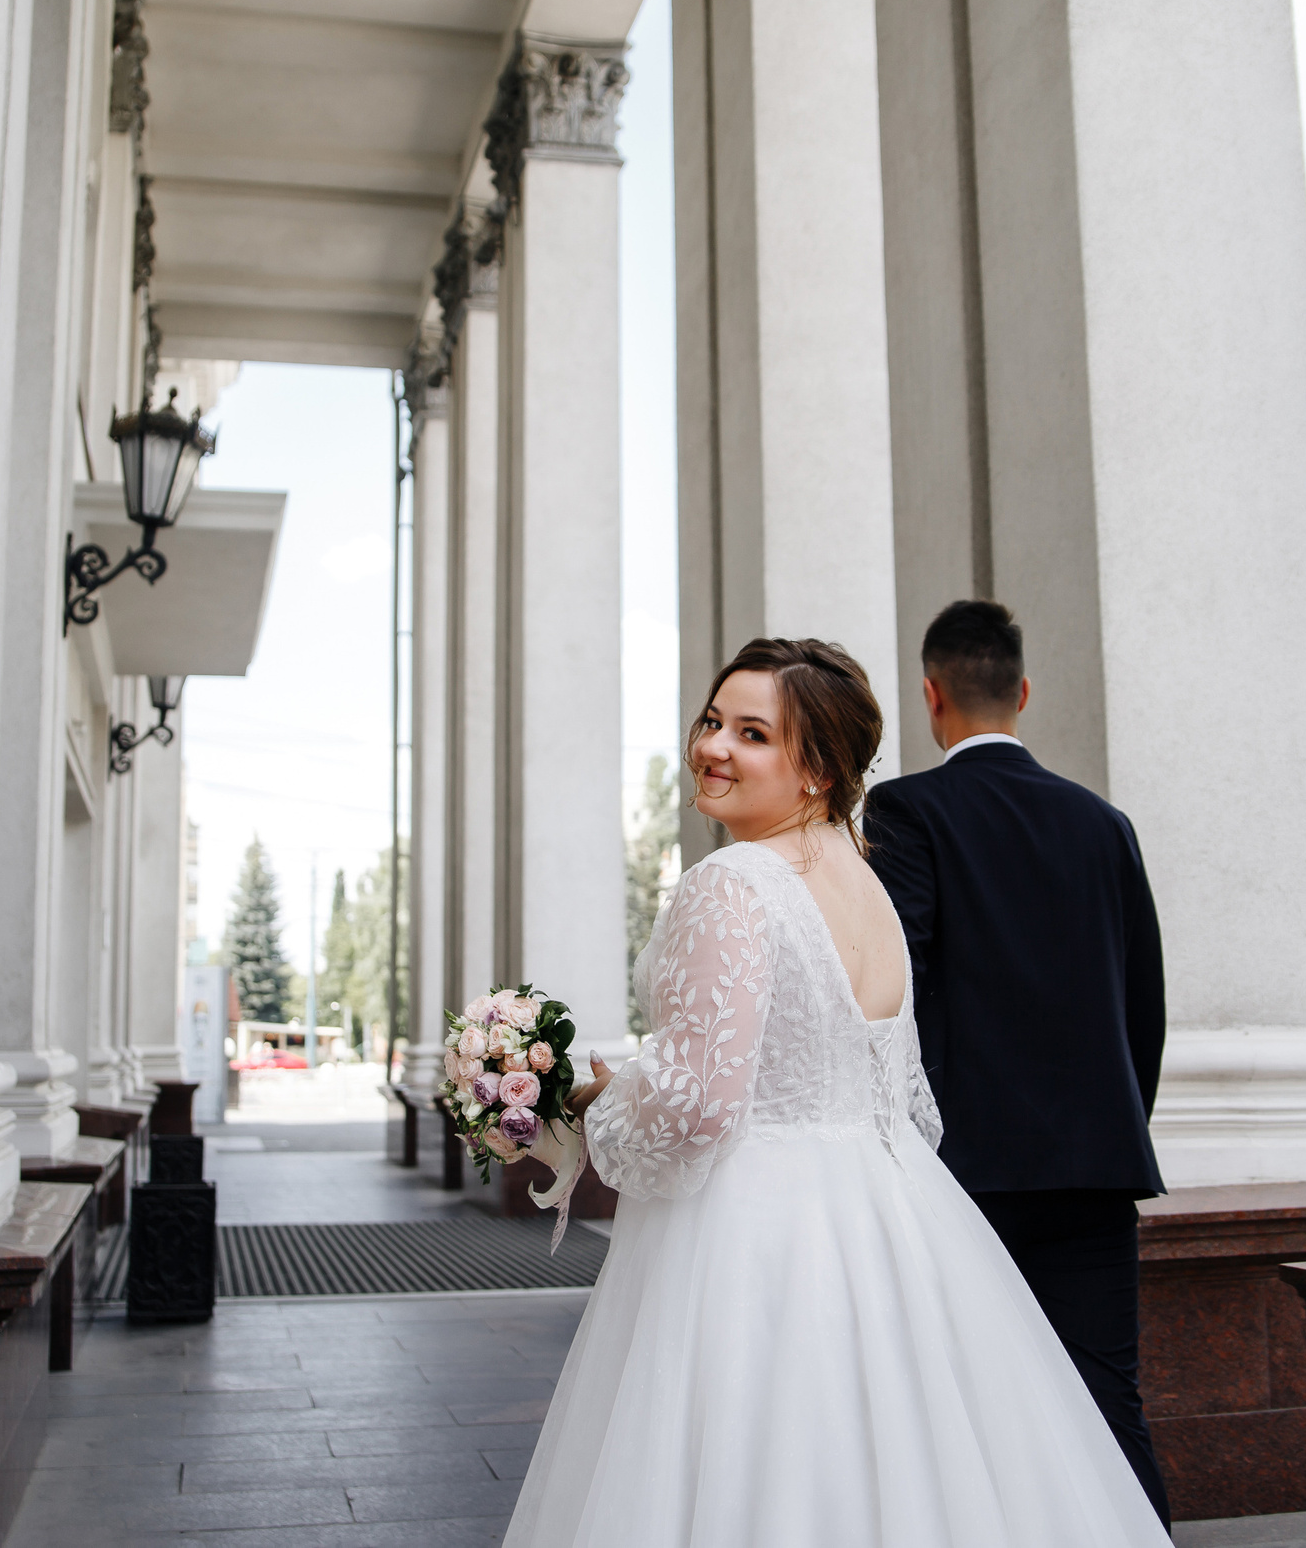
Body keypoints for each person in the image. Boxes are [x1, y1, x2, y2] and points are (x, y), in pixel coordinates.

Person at [502, 639, 1169, 1548]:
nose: (714, 747)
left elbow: (702, 1103)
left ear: (815, 767)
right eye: (711, 721)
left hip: (754, 1233)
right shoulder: (867, 886)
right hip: (895, 1213)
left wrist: (594, 1103)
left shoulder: (731, 880)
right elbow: (892, 1087)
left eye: (752, 733)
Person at [861, 600, 1172, 1527]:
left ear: (931, 696)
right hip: (1095, 1168)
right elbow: (1142, 1007)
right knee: (1109, 1403)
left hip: (967, 1171)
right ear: (1023, 690)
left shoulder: (907, 809)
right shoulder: (1103, 822)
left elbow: (897, 983)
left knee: (969, 1406)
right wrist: (1114, 1126)